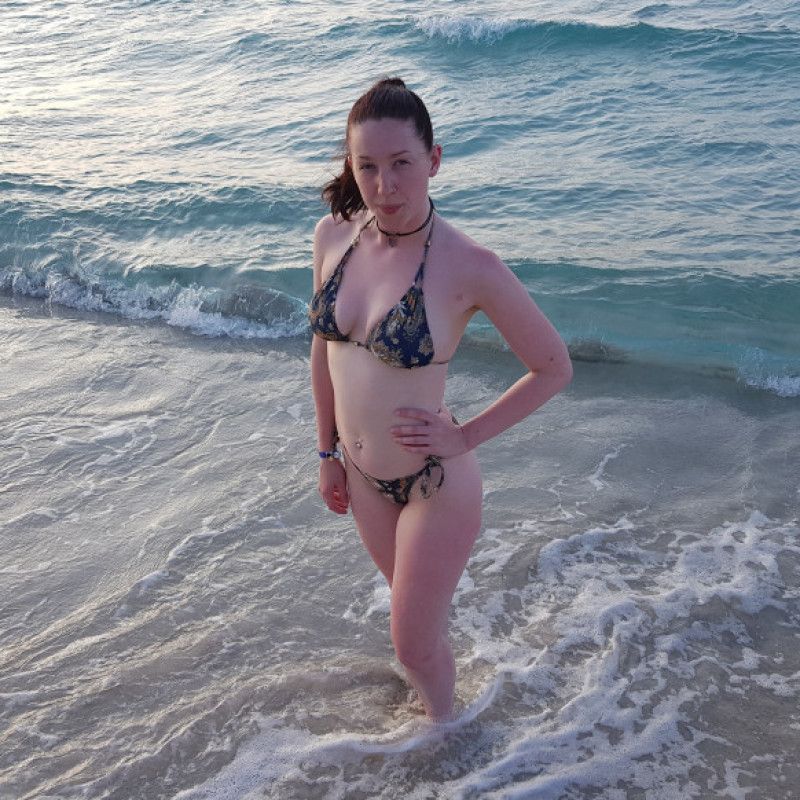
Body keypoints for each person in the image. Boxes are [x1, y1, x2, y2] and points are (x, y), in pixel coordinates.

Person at [309, 77, 572, 723]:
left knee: (411, 642)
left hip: (433, 481)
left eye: (402, 163)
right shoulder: (332, 237)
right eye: (367, 166)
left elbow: (552, 367)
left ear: (434, 160)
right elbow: (323, 351)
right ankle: (441, 715)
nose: (384, 186)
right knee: (418, 632)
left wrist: (466, 435)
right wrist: (326, 452)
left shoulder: (469, 265)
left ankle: (447, 739)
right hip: (364, 479)